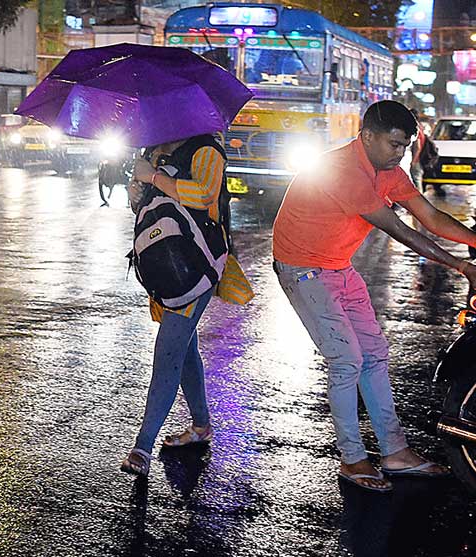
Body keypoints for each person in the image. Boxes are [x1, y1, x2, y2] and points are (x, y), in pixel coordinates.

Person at [272, 100, 476, 492]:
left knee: (375, 355)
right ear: (367, 136)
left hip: (337, 267)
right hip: (303, 270)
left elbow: (429, 217)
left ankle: (395, 452)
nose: (399, 154)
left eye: (404, 146)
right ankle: (352, 459)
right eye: (393, 144)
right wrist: (464, 267)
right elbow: (404, 232)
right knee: (347, 360)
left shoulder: (389, 171)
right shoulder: (344, 172)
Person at [120, 134, 255, 477]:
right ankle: (201, 425)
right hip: (165, 263)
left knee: (168, 351)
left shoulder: (206, 149)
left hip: (197, 265)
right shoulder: (152, 149)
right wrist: (136, 192)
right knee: (184, 346)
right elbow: (146, 205)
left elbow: (203, 195)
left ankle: (143, 446)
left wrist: (152, 177)